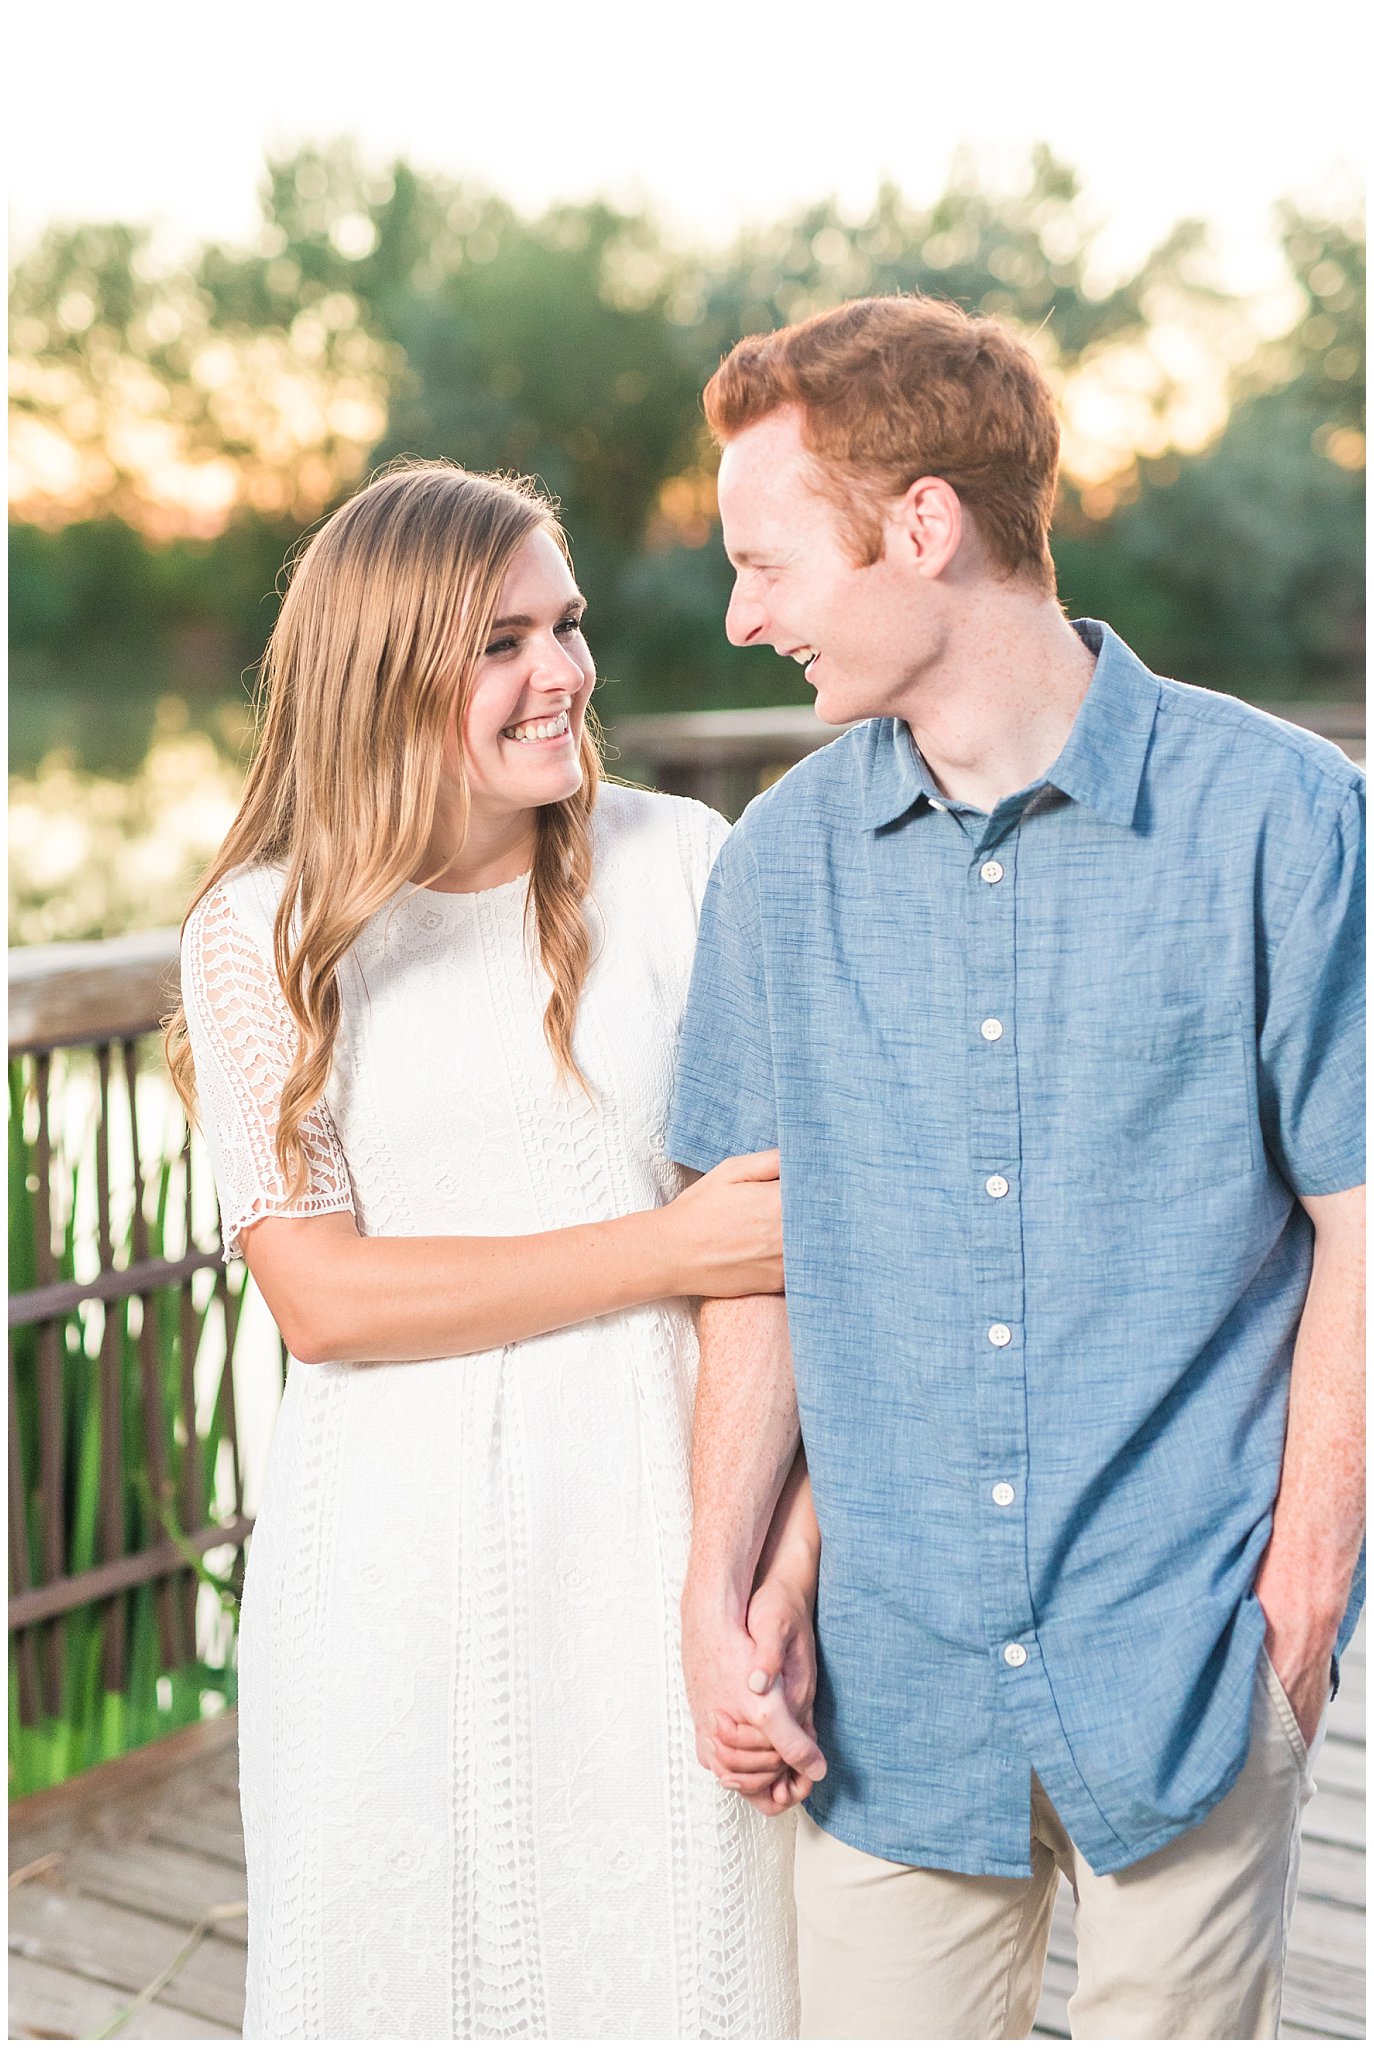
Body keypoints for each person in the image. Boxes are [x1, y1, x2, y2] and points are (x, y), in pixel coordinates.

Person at [669, 296, 1365, 2040]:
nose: (743, 614)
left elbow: (1360, 1225)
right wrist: (724, 1580)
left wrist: (1298, 1605)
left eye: (767, 562)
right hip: (882, 1700)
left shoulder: (1286, 819)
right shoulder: (776, 870)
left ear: (922, 528)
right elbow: (756, 1263)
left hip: (1191, 1663)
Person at [165, 459, 804, 2040]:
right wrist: (665, 1245)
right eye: (504, 641)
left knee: (680, 1966)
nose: (567, 674)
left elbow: (783, 1259)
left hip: (657, 1533)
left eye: (567, 626)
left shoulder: (684, 869)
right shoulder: (261, 931)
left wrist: (760, 1578)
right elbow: (321, 1299)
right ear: (385, 669)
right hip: (387, 1566)